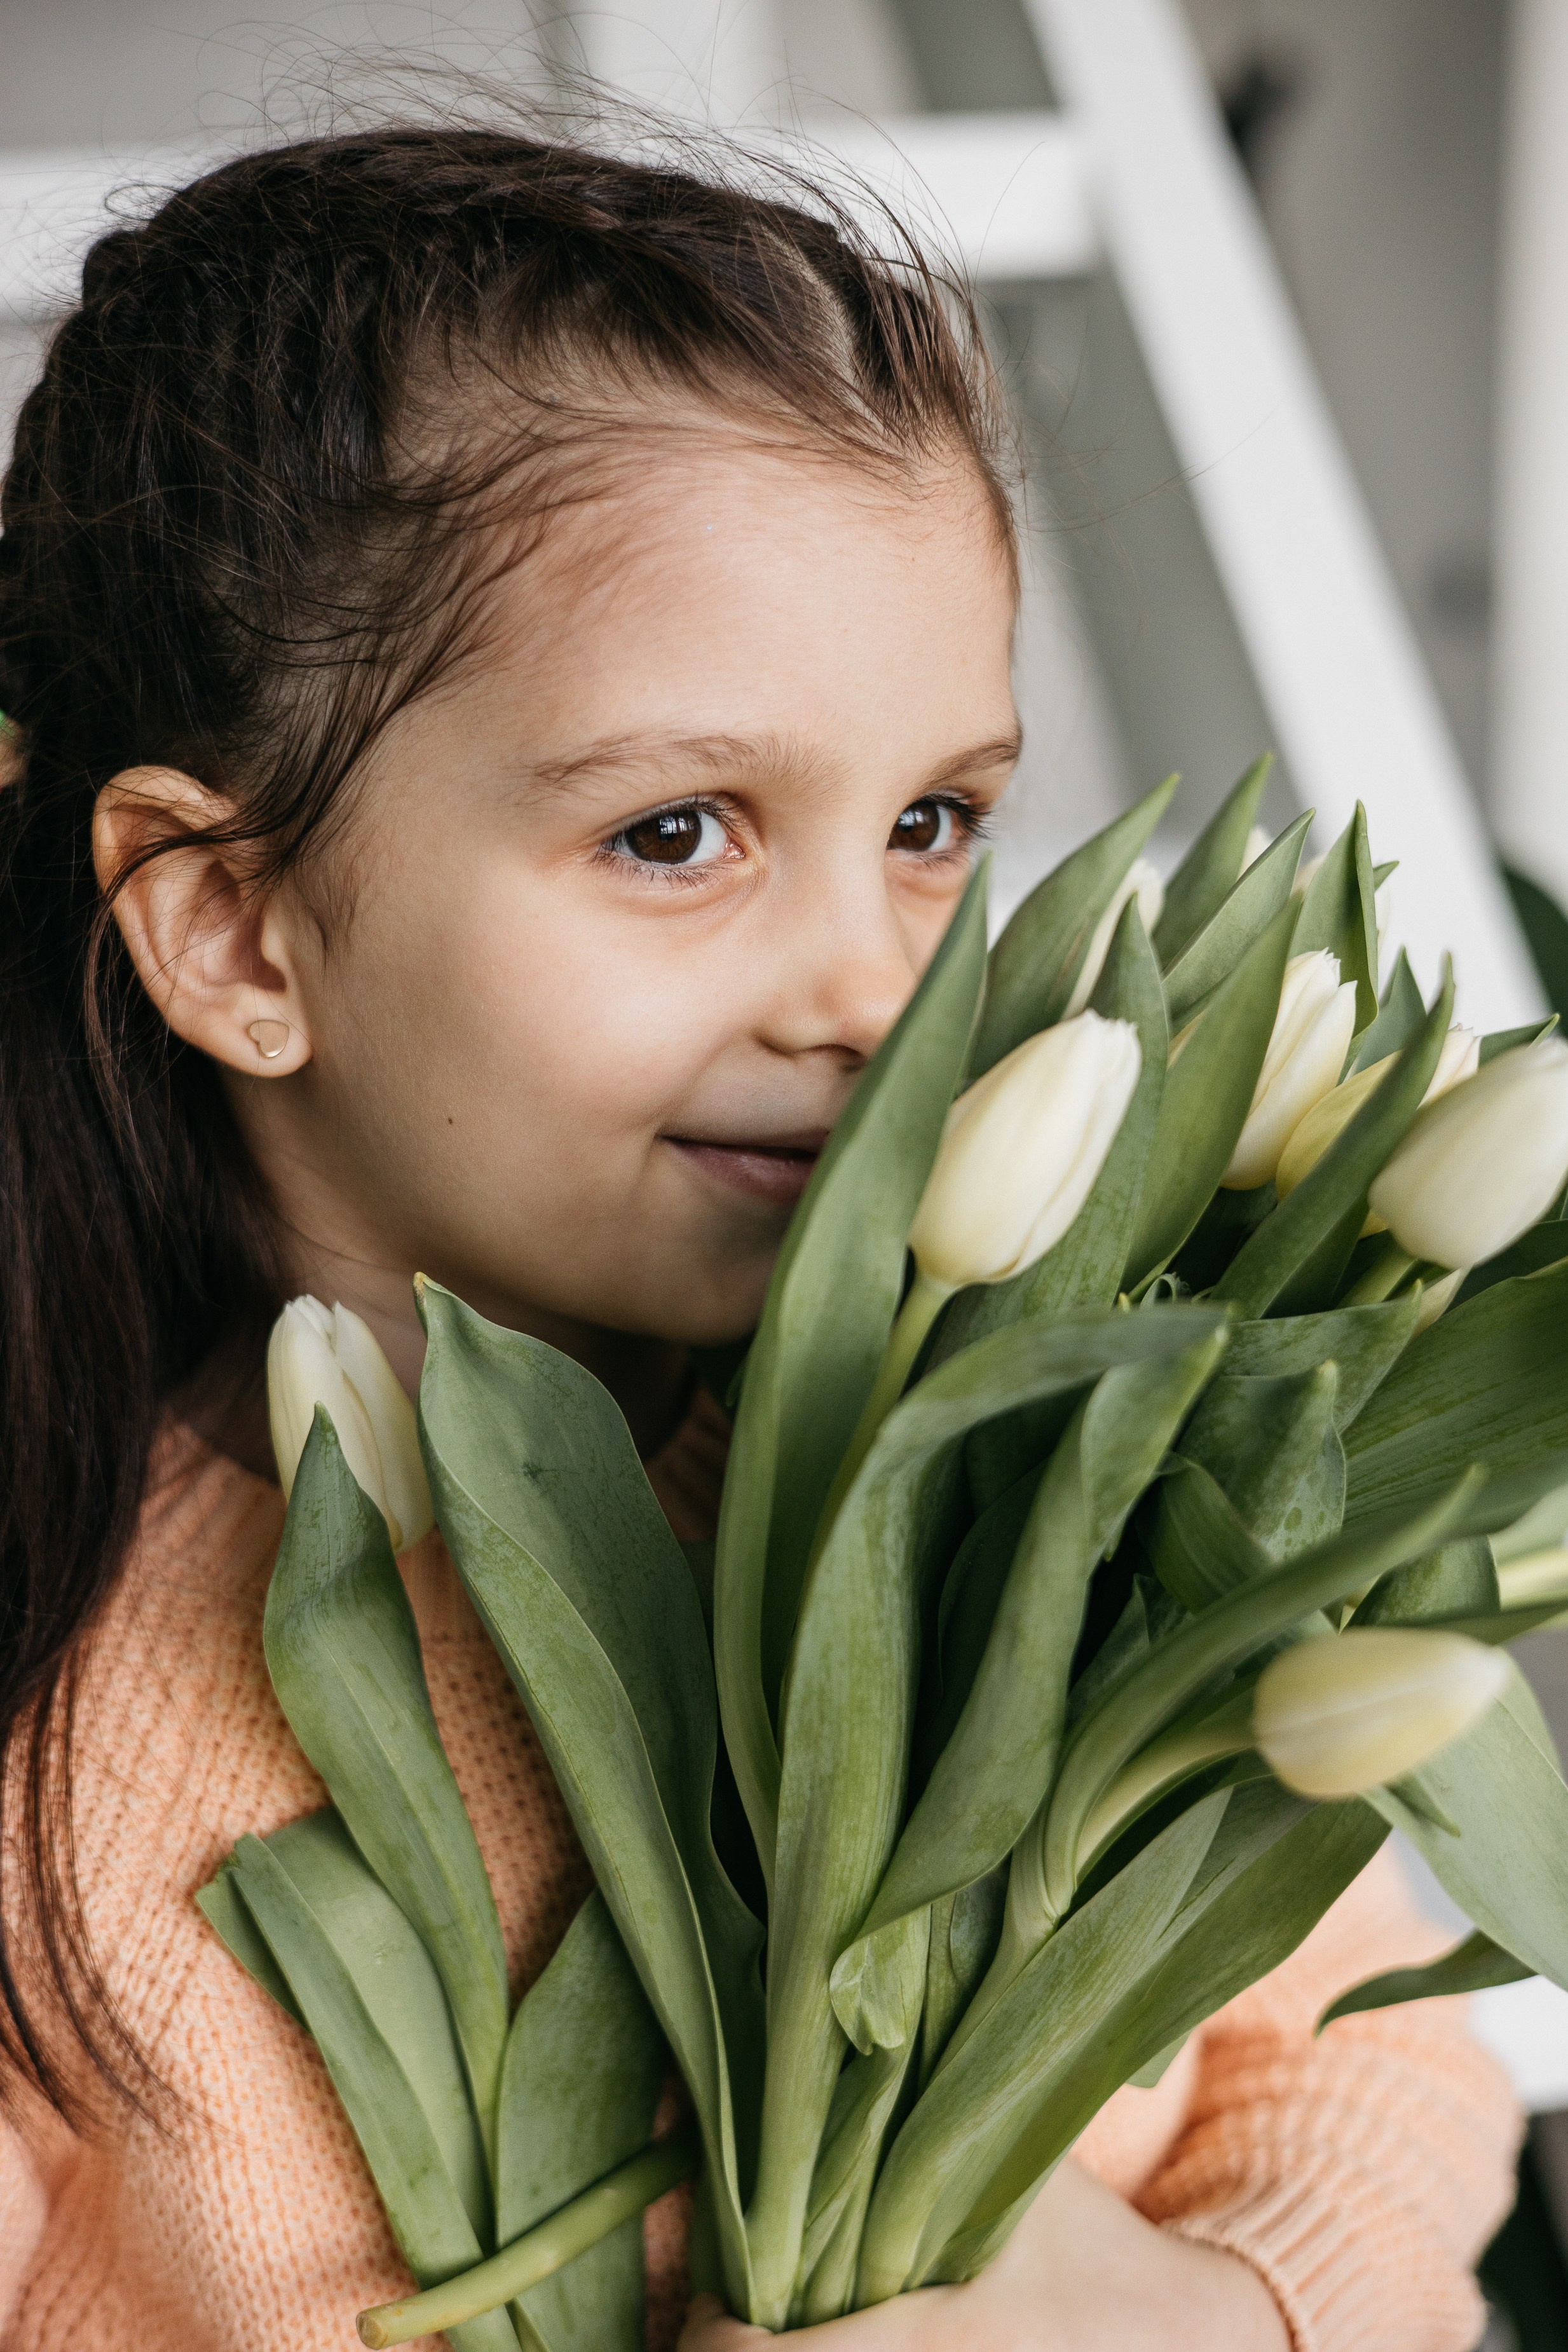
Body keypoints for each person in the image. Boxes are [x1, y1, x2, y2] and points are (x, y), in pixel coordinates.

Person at [0, 122, 1519, 2352]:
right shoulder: (63, 1710)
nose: (872, 994)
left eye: (929, 824)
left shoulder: (1037, 1503)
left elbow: (1374, 2056)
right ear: (234, 926)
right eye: (678, 829)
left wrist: (1221, 2320)